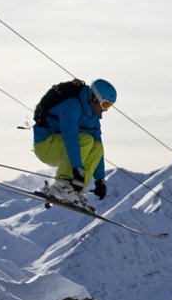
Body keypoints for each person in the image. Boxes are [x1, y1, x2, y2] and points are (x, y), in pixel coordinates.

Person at [32, 78, 116, 209]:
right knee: (86, 140)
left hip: (64, 150)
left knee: (97, 146)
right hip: (45, 145)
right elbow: (70, 137)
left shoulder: (94, 118)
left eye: (109, 106)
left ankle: (74, 191)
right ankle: (61, 185)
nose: (106, 110)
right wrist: (77, 168)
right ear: (94, 97)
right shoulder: (72, 105)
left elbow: (98, 150)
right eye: (105, 105)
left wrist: (100, 180)